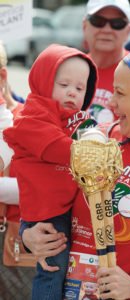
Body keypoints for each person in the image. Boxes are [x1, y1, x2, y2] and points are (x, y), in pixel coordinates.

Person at [19, 45, 130, 300]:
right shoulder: (95, 138)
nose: (111, 103)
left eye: (120, 93)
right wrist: (29, 234)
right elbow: (46, 193)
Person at [3, 43, 98, 300]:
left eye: (80, 88)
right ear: (44, 82)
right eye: (63, 84)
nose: (72, 93)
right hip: (48, 213)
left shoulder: (71, 120)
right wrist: (97, 153)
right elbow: (61, 149)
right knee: (53, 269)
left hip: (63, 207)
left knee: (64, 269)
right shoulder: (32, 118)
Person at [83, 0, 130, 124]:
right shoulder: (68, 70)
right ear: (84, 26)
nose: (107, 29)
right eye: (98, 21)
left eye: (117, 23)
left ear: (128, 31)